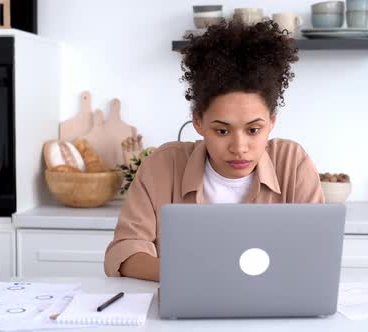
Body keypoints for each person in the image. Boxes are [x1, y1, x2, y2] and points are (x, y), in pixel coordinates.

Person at [104, 20, 325, 282]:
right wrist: (201, 276)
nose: (239, 148)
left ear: (272, 122)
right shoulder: (163, 166)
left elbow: (317, 254)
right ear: (198, 121)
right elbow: (125, 253)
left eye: (254, 130)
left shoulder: (292, 163)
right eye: (222, 131)